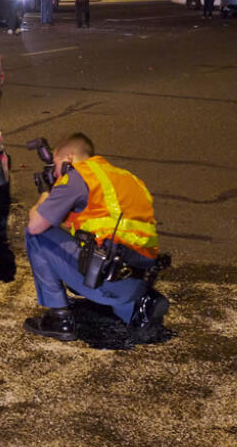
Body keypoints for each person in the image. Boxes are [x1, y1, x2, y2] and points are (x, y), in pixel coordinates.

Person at [23, 132, 165, 342]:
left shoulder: (77, 176)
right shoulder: (128, 178)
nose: (55, 175)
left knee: (35, 235)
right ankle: (135, 307)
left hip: (107, 279)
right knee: (98, 249)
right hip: (138, 280)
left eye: (56, 165)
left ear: (69, 158)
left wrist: (46, 193)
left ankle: (59, 318)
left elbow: (36, 225)